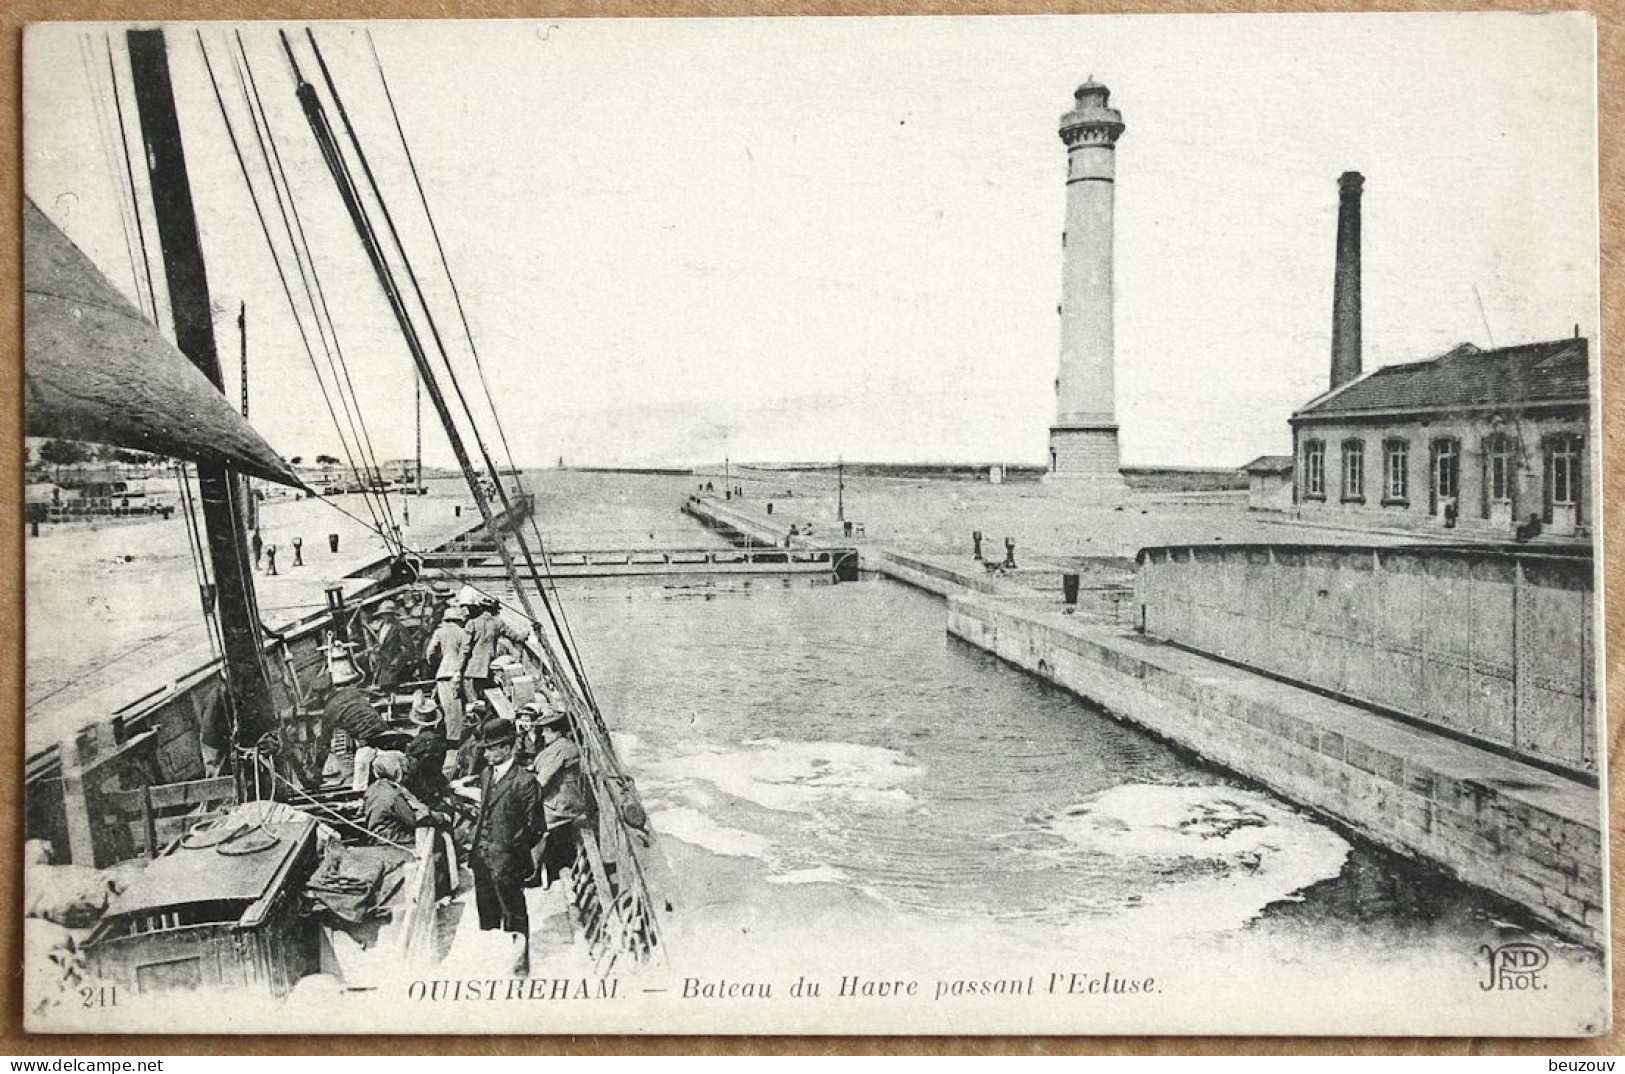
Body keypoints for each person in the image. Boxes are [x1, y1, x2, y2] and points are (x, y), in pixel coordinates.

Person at [468, 718, 542, 967]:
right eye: (485, 749)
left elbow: (536, 828)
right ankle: (495, 963)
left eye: (491, 748)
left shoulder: (525, 781)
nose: (486, 754)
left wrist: (511, 853)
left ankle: (521, 967)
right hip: (482, 860)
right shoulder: (487, 773)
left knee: (514, 917)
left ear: (508, 748)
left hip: (507, 863)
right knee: (488, 918)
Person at [528, 708, 589, 890]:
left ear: (556, 731)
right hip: (572, 798)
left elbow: (542, 780)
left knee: (534, 826)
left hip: (562, 804)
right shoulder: (565, 745)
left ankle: (533, 872)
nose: (544, 734)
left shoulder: (559, 748)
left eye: (546, 730)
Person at [317, 664, 391, 792]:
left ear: (322, 695)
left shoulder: (330, 710)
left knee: (359, 784)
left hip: (368, 742)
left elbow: (324, 744)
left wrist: (317, 770)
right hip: (385, 730)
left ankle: (361, 793)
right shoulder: (351, 692)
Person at [460, 597, 532, 703]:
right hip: (488, 665)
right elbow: (516, 637)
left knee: (472, 698)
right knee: (486, 693)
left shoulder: (472, 623)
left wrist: (458, 668)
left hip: (472, 669)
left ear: (481, 608)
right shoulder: (498, 623)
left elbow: (465, 649)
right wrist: (526, 633)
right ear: (494, 609)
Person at [425, 603, 469, 748]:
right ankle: (456, 738)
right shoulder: (463, 633)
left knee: (448, 707)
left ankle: (452, 739)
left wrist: (435, 664)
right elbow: (465, 653)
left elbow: (430, 652)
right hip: (458, 673)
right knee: (457, 708)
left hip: (443, 673)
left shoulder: (439, 632)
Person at [362, 751, 425, 849]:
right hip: (393, 840)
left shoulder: (372, 789)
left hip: (375, 837)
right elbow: (412, 819)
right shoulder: (394, 793)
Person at [403, 693, 452, 806]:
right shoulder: (439, 738)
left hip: (421, 783)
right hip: (436, 778)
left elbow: (413, 768)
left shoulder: (419, 741)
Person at [371, 600, 413, 691]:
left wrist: (396, 661)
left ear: (392, 614)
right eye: (382, 614)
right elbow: (380, 643)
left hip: (393, 666)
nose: (384, 616)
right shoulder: (381, 627)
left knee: (389, 687)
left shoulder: (399, 628)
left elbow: (409, 648)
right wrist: (375, 649)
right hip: (381, 664)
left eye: (387, 614)